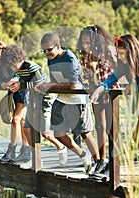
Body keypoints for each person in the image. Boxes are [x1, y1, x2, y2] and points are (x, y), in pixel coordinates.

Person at [90, 34, 139, 193]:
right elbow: (110, 80)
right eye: (118, 53)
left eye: (122, 53)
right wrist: (98, 90)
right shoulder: (124, 65)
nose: (120, 56)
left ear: (131, 51)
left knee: (138, 137)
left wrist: (131, 87)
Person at [36, 32, 100, 173]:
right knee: (58, 133)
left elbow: (73, 85)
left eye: (49, 49)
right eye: (44, 50)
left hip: (77, 99)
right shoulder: (51, 59)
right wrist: (43, 85)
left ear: (58, 46)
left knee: (84, 133)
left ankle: (99, 163)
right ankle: (83, 155)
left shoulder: (70, 59)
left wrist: (50, 87)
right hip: (61, 98)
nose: (46, 53)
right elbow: (55, 81)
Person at [0, 44, 68, 169]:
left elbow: (40, 84)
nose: (13, 69)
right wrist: (15, 84)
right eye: (10, 66)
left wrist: (21, 85)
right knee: (27, 129)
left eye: (13, 65)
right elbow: (21, 82)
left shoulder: (31, 67)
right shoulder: (18, 70)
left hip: (45, 100)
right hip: (33, 101)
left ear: (20, 59)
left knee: (44, 132)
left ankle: (60, 147)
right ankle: (36, 159)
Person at [77, 25, 120, 174]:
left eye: (89, 42)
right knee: (99, 126)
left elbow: (119, 70)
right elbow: (87, 76)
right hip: (96, 93)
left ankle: (115, 162)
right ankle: (102, 160)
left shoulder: (108, 50)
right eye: (83, 42)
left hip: (111, 92)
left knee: (111, 128)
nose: (86, 45)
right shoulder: (84, 55)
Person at [0, 41, 30, 164]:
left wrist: (15, 81)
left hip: (25, 93)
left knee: (16, 119)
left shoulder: (12, 61)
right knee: (21, 121)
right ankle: (26, 150)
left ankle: (11, 150)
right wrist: (6, 84)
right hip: (16, 95)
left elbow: (24, 74)